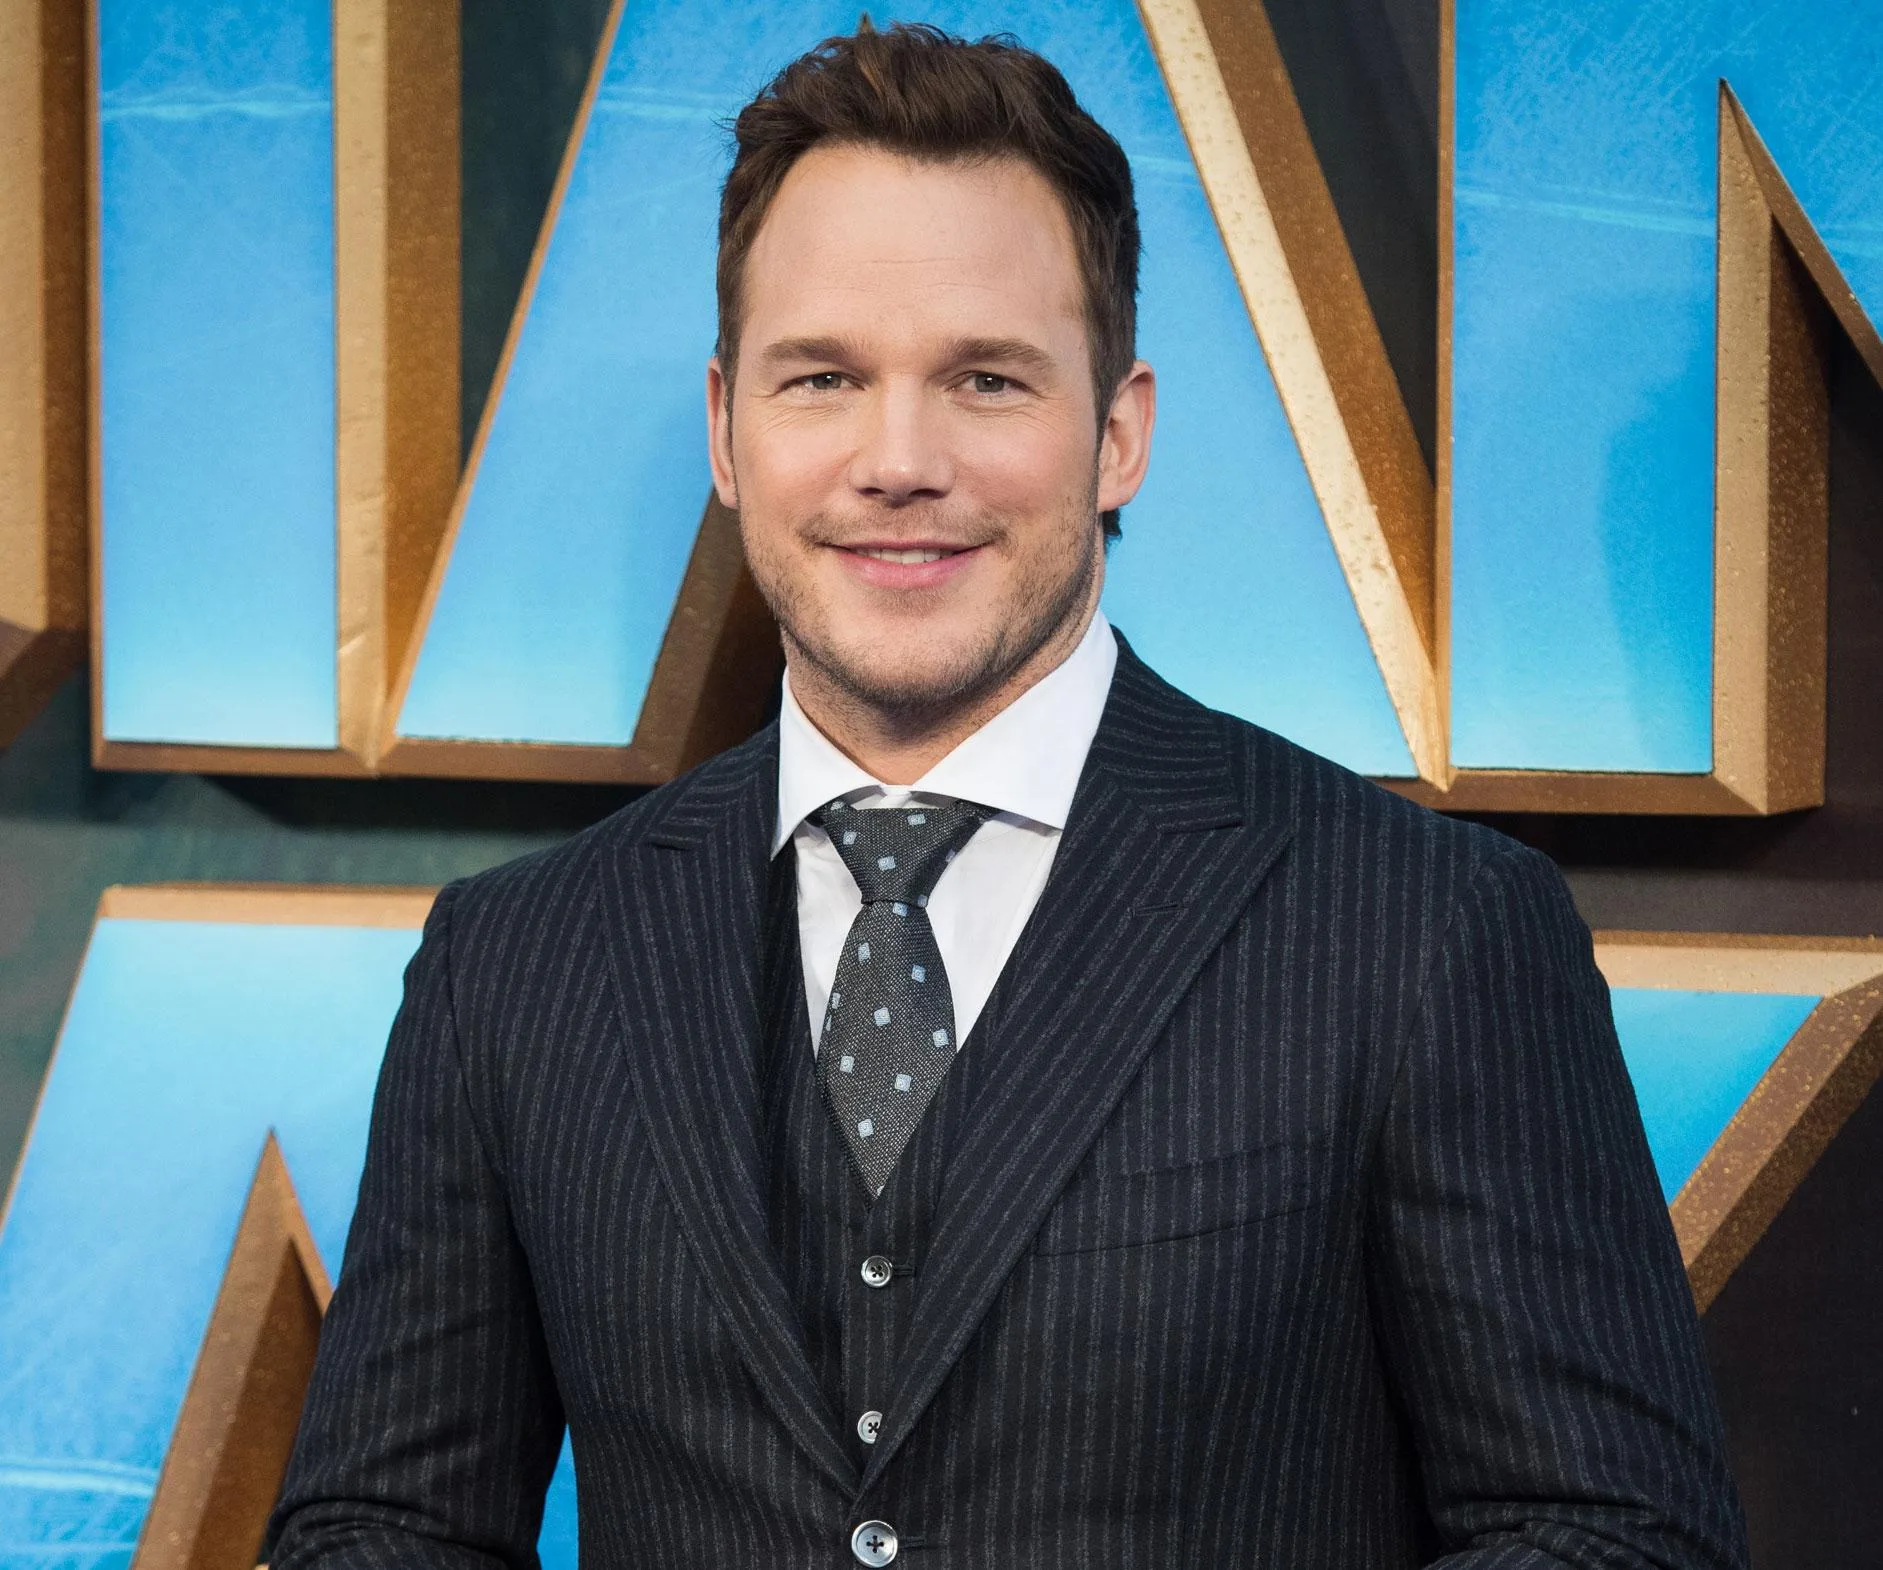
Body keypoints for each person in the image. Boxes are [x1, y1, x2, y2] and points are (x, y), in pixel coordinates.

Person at [273, 24, 1748, 1568]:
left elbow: (1607, 1533)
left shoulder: (1428, 928)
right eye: (822, 377)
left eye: (986, 379)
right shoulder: (514, 961)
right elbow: (384, 1525)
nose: (898, 459)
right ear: (726, 429)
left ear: (1117, 431)